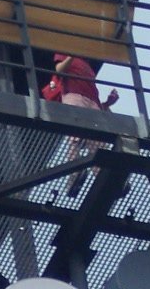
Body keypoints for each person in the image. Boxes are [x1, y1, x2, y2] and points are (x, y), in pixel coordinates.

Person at [42, 53, 120, 195]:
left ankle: (103, 175)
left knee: (98, 143)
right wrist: (71, 55)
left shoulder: (87, 67)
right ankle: (76, 171)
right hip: (74, 95)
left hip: (91, 102)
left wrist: (108, 103)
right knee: (76, 135)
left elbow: (93, 96)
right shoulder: (65, 54)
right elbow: (59, 70)